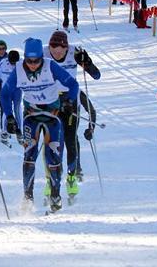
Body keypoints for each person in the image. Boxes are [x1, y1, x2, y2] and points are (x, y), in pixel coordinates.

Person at [0, 37, 80, 213]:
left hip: (53, 115)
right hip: (32, 116)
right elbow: (5, 94)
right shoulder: (19, 70)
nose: (34, 64)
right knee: (29, 155)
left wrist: (69, 102)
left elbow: (73, 84)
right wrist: (9, 116)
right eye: (30, 60)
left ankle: (55, 197)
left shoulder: (50, 66)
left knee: (53, 157)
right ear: (25, 58)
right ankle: (27, 198)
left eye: (37, 61)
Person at [44, 30, 100, 195]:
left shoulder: (75, 52)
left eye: (61, 47)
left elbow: (96, 75)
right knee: (51, 141)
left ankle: (71, 176)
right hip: (51, 101)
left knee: (70, 139)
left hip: (70, 101)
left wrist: (87, 62)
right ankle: (50, 179)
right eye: (53, 46)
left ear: (66, 47)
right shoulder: (43, 52)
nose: (57, 51)